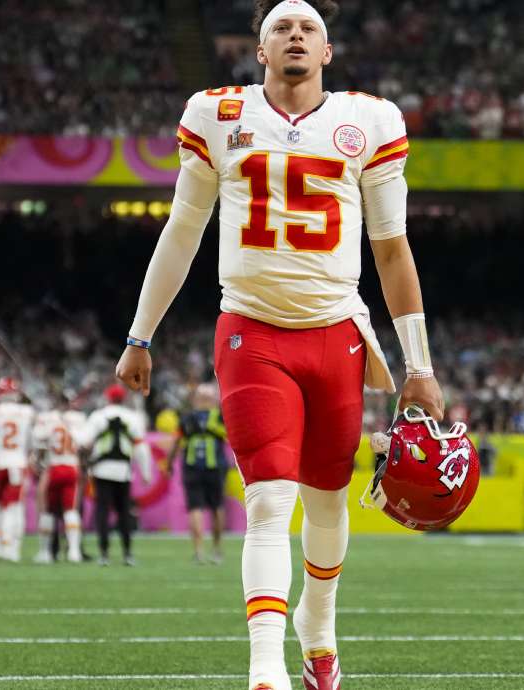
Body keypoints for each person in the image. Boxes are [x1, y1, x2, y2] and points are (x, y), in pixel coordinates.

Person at [116, 1, 445, 686]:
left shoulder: (371, 122)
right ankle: (264, 666)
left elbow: (391, 250)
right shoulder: (218, 115)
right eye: (280, 29)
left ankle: (316, 626)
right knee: (268, 500)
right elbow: (183, 230)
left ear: (328, 52)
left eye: (308, 30)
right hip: (251, 331)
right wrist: (139, 334)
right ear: (259, 50)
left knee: (326, 500)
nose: (295, 36)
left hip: (336, 335)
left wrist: (420, 365)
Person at [77, 384, 152, 567]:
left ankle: (104, 554)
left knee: (102, 512)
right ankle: (127, 553)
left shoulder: (98, 416)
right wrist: (146, 472)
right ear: (123, 398)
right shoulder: (133, 418)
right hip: (123, 471)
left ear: (107, 398)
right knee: (123, 513)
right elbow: (141, 447)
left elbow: (83, 441)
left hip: (101, 469)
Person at [171, 383, 230, 564]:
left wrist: (168, 463)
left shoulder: (187, 418)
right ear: (214, 399)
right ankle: (217, 549)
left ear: (196, 399)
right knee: (217, 507)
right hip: (216, 467)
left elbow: (177, 441)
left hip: (191, 466)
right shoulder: (220, 417)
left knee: (195, 508)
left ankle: (198, 551)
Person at [32, 398, 87, 563]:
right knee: (70, 510)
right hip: (71, 467)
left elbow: (37, 439)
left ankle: (45, 552)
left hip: (54, 467)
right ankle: (74, 552)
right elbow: (85, 442)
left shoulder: (48, 420)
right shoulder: (78, 420)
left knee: (48, 511)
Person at [0, 377, 35, 562]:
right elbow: (32, 441)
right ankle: (11, 548)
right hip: (18, 462)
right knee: (14, 507)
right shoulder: (27, 412)